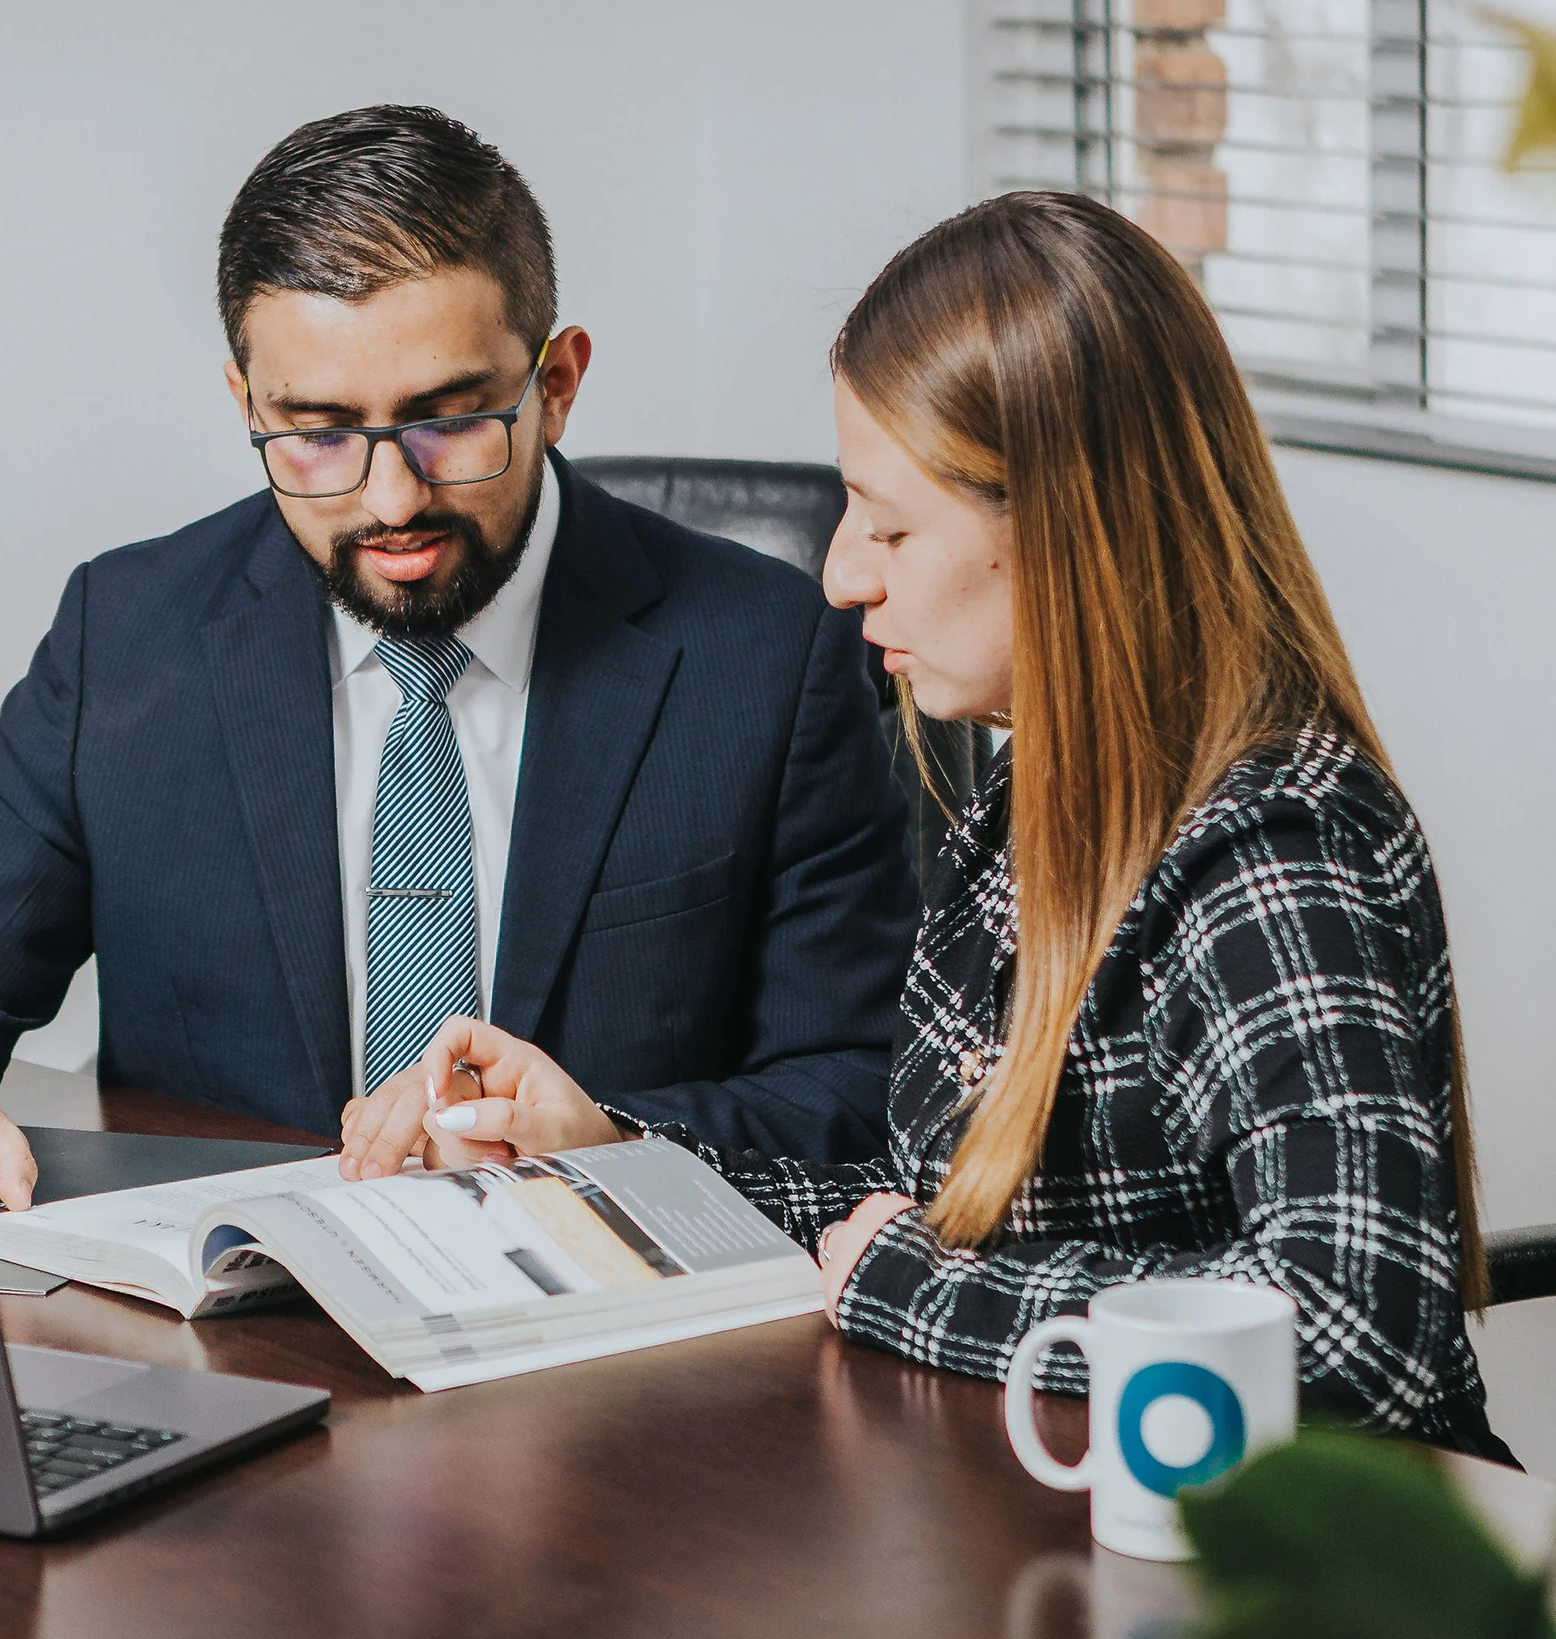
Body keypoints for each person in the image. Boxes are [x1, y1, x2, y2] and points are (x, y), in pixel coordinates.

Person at [348, 189, 1507, 1457]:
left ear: (1068, 533)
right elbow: (931, 1213)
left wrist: (910, 1290)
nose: (844, 572)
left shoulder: (1270, 854)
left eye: (891, 522)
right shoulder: (1040, 795)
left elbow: (1357, 1332)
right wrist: (612, 1149)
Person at [0, 105, 917, 1237]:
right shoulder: (129, 635)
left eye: (449, 421)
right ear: (245, 403)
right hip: (245, 1329)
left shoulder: (768, 652)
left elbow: (863, 1087)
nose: (391, 502)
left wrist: (607, 1140)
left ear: (558, 383)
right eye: (317, 432)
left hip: (601, 1333)